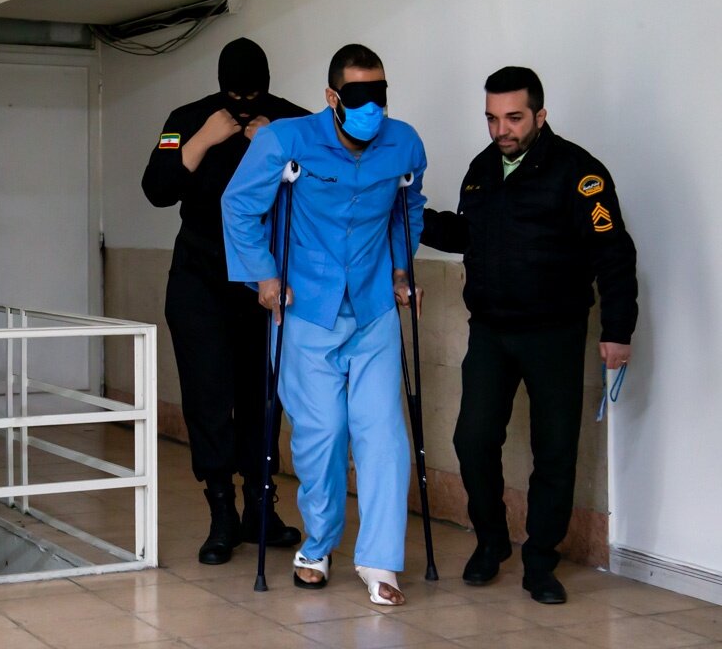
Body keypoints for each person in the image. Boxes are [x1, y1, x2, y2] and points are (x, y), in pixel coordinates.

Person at [422, 66, 638, 604]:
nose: (502, 130)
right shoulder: (482, 168)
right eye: (492, 118)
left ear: (540, 115)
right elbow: (468, 235)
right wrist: (413, 218)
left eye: (514, 118)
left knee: (555, 451)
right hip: (491, 332)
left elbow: (613, 253)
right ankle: (491, 540)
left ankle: (541, 560)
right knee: (472, 440)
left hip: (554, 334)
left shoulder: (580, 173)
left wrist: (618, 330)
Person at [221, 44, 426, 605]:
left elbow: (409, 207)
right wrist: (264, 275)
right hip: (306, 308)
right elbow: (239, 205)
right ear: (333, 97)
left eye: (379, 94)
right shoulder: (286, 141)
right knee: (324, 434)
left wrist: (402, 269)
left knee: (384, 434)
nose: (371, 107)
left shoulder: (404, 143)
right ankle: (319, 543)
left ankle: (380, 562)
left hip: (373, 306)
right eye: (358, 96)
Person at [141, 37, 307, 565]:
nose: (244, 104)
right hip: (200, 279)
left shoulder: (294, 121)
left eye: (253, 95)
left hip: (264, 282)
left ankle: (261, 508)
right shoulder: (188, 118)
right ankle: (221, 513)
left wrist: (278, 144)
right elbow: (157, 188)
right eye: (235, 96)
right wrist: (203, 141)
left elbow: (323, 189)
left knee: (262, 398)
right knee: (208, 397)